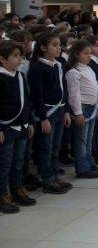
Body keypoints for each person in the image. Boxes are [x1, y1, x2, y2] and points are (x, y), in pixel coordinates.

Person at [27, 32, 73, 194]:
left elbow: (63, 90)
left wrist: (66, 110)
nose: (58, 48)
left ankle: (54, 174)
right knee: (46, 146)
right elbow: (36, 96)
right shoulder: (37, 68)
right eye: (54, 45)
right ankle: (47, 178)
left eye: (59, 44)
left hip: (59, 109)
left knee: (55, 146)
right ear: (42, 47)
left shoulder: (58, 64)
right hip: (47, 111)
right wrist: (43, 117)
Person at [0, 40, 36, 213]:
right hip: (6, 128)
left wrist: (29, 121)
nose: (20, 60)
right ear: (2, 59)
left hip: (22, 126)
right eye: (15, 56)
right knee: (4, 164)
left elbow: (26, 100)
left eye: (20, 56)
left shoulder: (20, 76)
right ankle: (3, 194)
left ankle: (17, 188)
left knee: (19, 162)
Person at [64, 40, 98, 179]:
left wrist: (96, 107)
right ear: (76, 55)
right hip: (83, 109)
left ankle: (89, 163)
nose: (89, 56)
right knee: (81, 140)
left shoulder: (88, 68)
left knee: (88, 139)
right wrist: (78, 113)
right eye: (85, 54)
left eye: (90, 53)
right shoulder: (74, 72)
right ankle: (82, 168)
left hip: (92, 108)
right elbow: (74, 95)